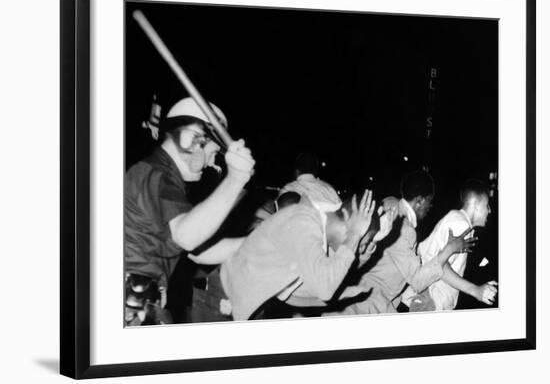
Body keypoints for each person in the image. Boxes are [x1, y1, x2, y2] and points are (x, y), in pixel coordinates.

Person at [124, 97, 255, 325]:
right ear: (194, 141)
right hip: (130, 303)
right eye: (214, 153)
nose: (212, 164)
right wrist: (236, 179)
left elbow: (200, 251)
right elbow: (187, 237)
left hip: (141, 302)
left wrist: (262, 239)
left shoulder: (166, 179)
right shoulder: (156, 174)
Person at [220, 189, 396, 320]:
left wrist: (372, 241)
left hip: (241, 306)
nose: (358, 249)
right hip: (221, 298)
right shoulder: (304, 224)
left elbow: (301, 293)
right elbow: (325, 286)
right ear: (348, 224)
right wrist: (355, 235)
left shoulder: (321, 232)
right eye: (360, 243)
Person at [330, 170, 476, 315]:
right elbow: (417, 280)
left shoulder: (389, 203)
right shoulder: (405, 229)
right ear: (420, 201)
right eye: (429, 202)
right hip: (371, 303)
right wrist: (450, 249)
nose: (430, 207)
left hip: (360, 290)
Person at [408, 179, 498, 312]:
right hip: (430, 301)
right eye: (487, 206)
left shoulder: (458, 220)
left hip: (430, 299)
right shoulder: (461, 224)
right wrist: (476, 290)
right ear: (476, 205)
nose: (489, 211)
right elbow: (441, 266)